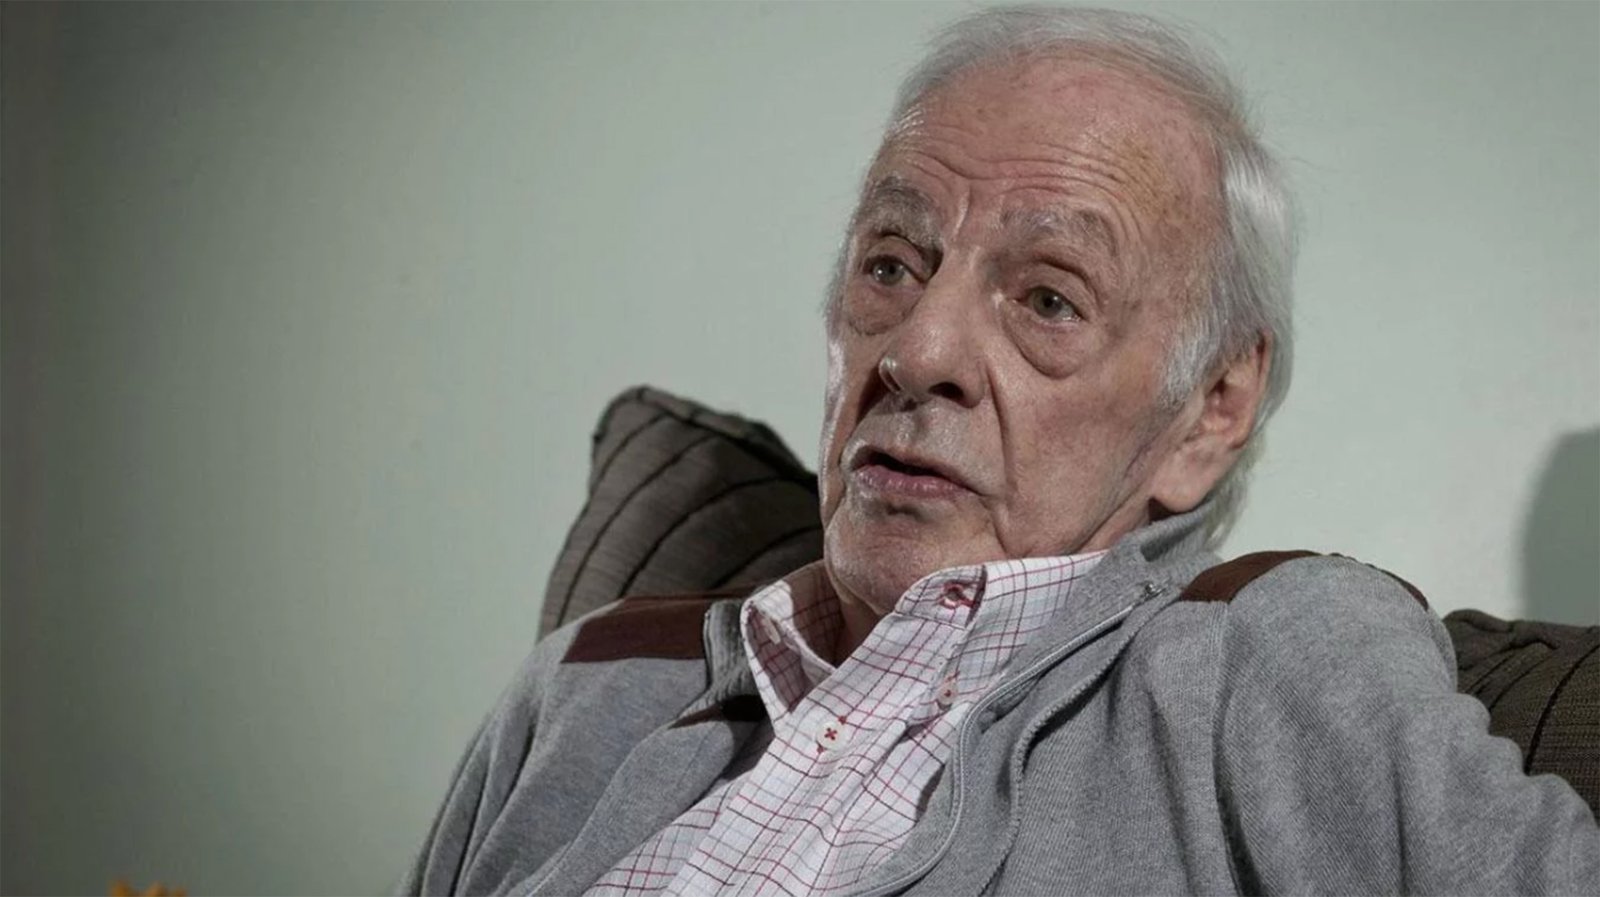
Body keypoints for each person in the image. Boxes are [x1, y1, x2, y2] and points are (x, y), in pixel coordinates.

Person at [402, 6, 1600, 895]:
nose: (917, 350)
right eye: (889, 264)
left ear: (1210, 410)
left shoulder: (1268, 659)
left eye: (1047, 298)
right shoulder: (594, 681)